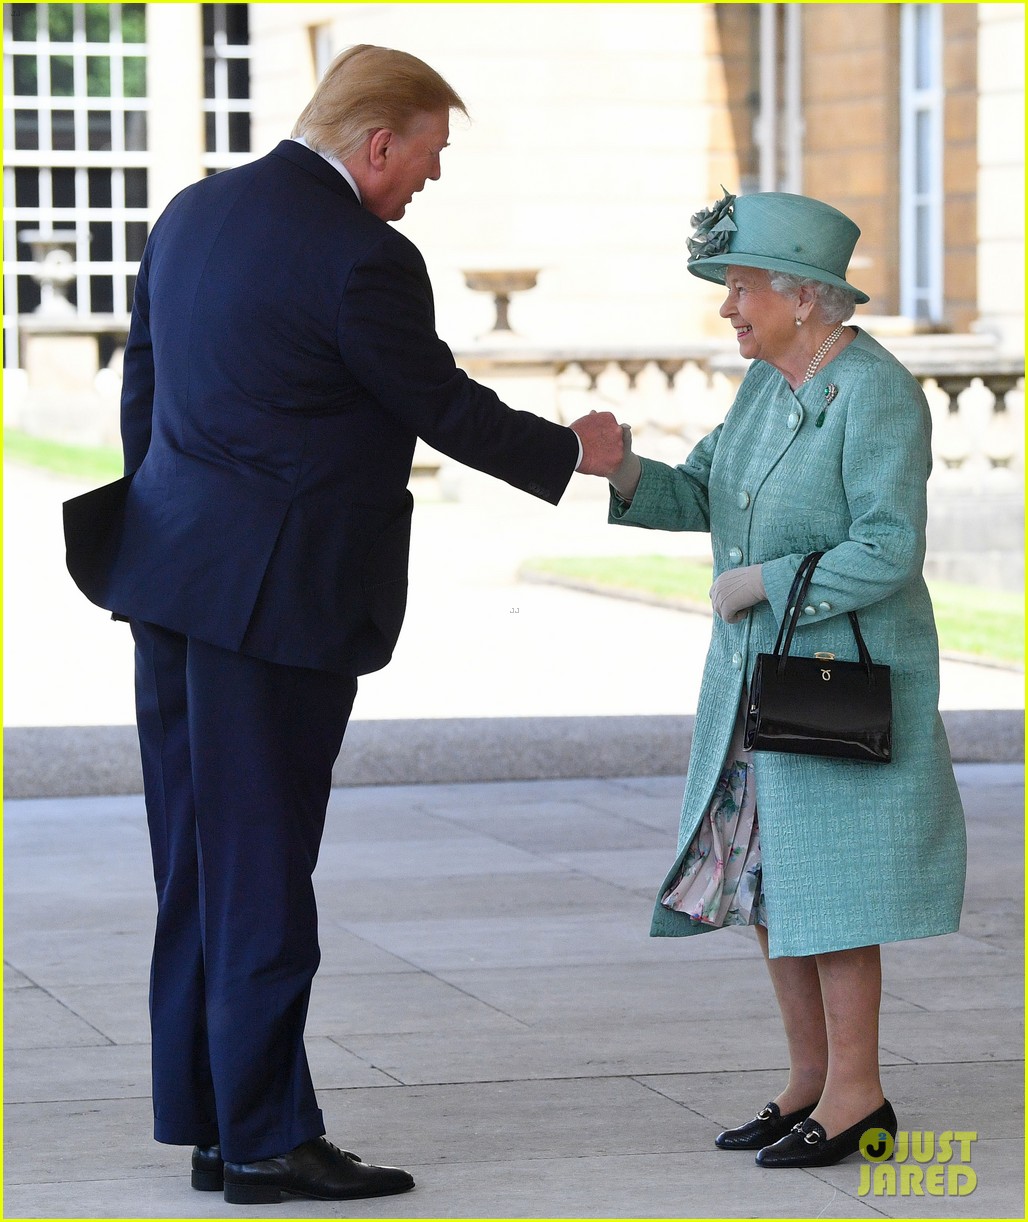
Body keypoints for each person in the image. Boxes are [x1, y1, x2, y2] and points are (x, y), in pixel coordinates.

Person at [63, 45, 622, 1206]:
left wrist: (178, 532)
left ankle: (218, 1121)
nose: (427, 179)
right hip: (274, 607)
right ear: (377, 142)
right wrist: (575, 453)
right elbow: (436, 402)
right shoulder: (362, 255)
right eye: (426, 155)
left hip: (169, 584)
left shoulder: (193, 213)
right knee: (263, 869)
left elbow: (144, 400)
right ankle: (268, 1139)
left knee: (200, 869)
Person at [591, 190, 966, 1169]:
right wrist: (623, 470)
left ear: (804, 299)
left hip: (838, 676)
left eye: (739, 287)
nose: (725, 307)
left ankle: (858, 1093)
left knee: (834, 889)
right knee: (768, 883)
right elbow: (703, 491)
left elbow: (888, 547)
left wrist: (768, 579)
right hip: (756, 679)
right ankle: (807, 1080)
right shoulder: (761, 387)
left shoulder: (876, 391)